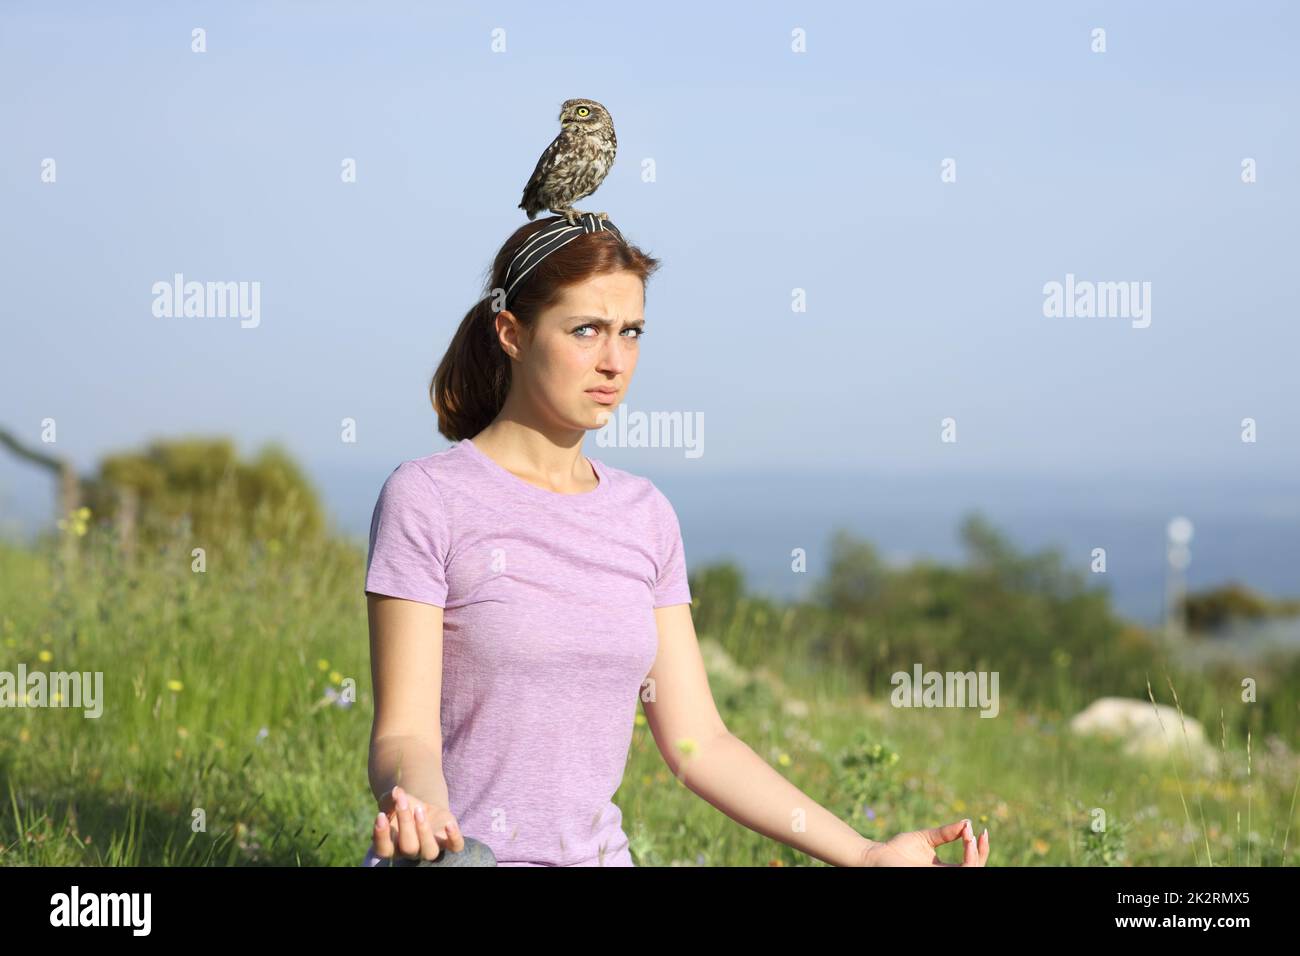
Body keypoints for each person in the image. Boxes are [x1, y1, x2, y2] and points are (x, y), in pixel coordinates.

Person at [361, 213, 991, 867]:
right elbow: (403, 733)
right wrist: (421, 810)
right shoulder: (429, 498)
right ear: (512, 334)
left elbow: (702, 744)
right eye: (586, 330)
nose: (613, 361)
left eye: (630, 333)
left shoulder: (645, 515)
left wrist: (863, 854)